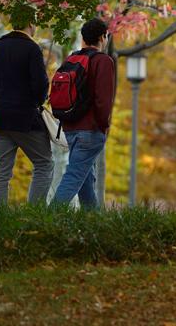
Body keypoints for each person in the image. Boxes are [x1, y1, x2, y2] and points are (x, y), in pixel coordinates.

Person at [0, 14, 53, 204]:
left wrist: (2, 98)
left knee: (2, 169)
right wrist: (39, 101)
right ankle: (34, 212)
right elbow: (40, 84)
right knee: (44, 163)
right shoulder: (32, 48)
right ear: (30, 23)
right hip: (25, 117)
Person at [52, 17, 116, 209]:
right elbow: (103, 100)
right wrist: (104, 126)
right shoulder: (103, 61)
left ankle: (91, 219)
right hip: (91, 129)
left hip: (70, 127)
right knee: (75, 175)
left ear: (83, 37)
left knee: (85, 178)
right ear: (103, 37)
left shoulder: (71, 59)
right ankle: (49, 215)